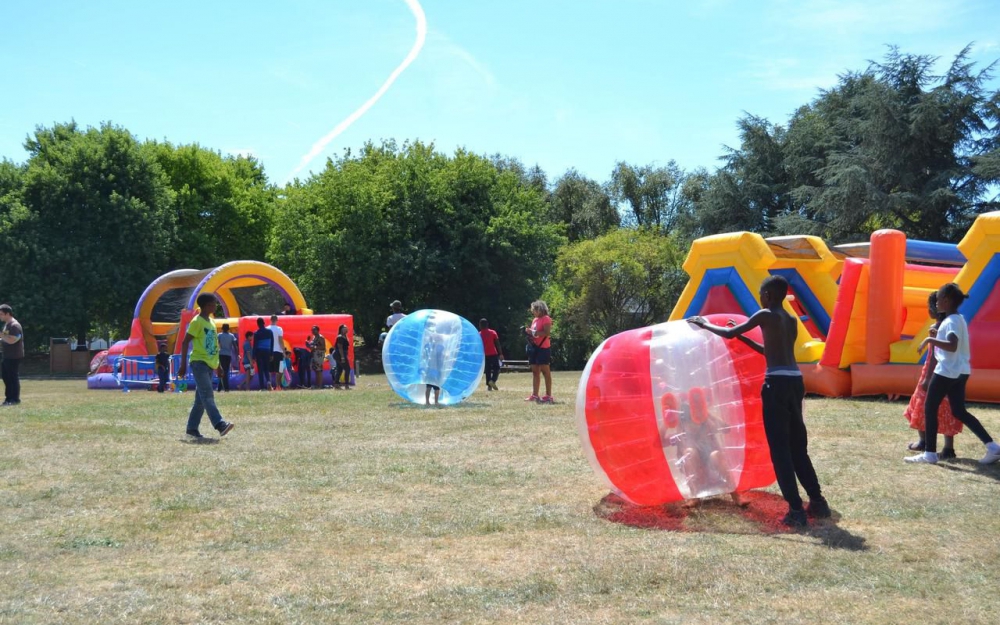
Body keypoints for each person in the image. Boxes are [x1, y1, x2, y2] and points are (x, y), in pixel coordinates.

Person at [688, 275, 830, 527]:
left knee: (780, 452)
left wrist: (704, 324)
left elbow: (730, 332)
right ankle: (818, 502)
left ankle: (796, 511)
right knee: (798, 447)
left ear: (769, 296)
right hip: (795, 382)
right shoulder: (790, 320)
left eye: (761, 294)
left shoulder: (765, 314)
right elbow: (770, 351)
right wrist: (745, 339)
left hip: (775, 385)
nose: (760, 298)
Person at [906, 283, 1000, 465]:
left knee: (930, 407)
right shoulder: (957, 319)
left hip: (947, 372)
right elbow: (951, 342)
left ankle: (929, 454)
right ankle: (993, 447)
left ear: (946, 301)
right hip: (960, 371)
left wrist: (928, 339)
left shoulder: (951, 321)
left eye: (939, 299)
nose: (937, 303)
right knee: (959, 410)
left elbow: (952, 345)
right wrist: (936, 335)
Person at [904, 293, 962, 458]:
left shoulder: (937, 328)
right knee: (947, 408)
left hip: (935, 373)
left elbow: (935, 356)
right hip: (950, 373)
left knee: (923, 406)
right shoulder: (952, 325)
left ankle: (924, 442)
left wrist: (928, 378)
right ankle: (948, 448)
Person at [177, 293, 235, 440]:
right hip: (199, 363)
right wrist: (183, 364)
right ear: (207, 305)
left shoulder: (212, 322)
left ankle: (191, 428)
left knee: (200, 400)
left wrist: (219, 365)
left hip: (210, 364)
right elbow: (185, 343)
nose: (215, 306)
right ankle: (219, 424)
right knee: (208, 395)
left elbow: (214, 346)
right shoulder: (196, 322)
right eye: (213, 303)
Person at [524, 300, 554, 404]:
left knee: (546, 371)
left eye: (534, 310)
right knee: (535, 371)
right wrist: (529, 333)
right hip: (534, 347)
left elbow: (546, 332)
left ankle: (548, 395)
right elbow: (535, 333)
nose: (533, 312)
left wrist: (533, 332)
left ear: (539, 309)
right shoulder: (535, 320)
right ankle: (535, 394)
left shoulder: (546, 319)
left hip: (543, 348)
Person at [0, 304, 23, 406]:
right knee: (6, 377)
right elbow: (5, 338)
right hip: (6, 355)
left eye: (1, 314)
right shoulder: (6, 325)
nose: (0, 316)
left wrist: (1, 336)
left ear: (7, 314)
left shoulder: (14, 325)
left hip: (13, 356)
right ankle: (8, 398)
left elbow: (12, 340)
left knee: (12, 377)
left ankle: (15, 399)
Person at [479, 318, 504, 391]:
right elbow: (497, 344)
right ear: (487, 325)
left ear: (480, 325)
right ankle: (492, 381)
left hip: (484, 355)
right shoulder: (493, 332)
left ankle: (489, 386)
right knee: (497, 368)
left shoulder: (479, 334)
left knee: (488, 370)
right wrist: (501, 354)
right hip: (493, 353)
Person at [253, 318, 273, 391]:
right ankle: (268, 381)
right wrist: (271, 354)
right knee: (267, 369)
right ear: (264, 323)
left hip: (259, 352)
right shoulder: (270, 332)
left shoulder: (256, 333)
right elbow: (272, 343)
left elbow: (255, 345)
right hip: (267, 351)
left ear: (258, 324)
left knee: (260, 370)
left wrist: (253, 356)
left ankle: (262, 387)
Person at [216, 323, 237, 392]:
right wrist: (237, 354)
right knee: (226, 370)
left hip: (221, 354)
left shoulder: (219, 335)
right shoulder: (231, 336)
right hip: (228, 355)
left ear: (222, 328)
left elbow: (216, 344)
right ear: (228, 329)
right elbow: (235, 346)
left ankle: (220, 387)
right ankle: (226, 387)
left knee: (222, 370)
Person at [268, 314, 285, 390]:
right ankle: (278, 385)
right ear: (277, 320)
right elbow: (280, 341)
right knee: (279, 370)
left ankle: (270, 384)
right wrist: (284, 351)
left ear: (270, 320)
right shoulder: (279, 329)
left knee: (269, 370)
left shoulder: (267, 329)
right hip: (278, 351)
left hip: (269, 351)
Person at [333, 324, 352, 389]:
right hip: (340, 354)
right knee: (347, 369)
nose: (345, 329)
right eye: (344, 328)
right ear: (341, 329)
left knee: (339, 369)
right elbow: (340, 347)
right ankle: (346, 385)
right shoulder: (340, 337)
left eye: (346, 328)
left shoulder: (345, 336)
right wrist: (342, 357)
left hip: (339, 354)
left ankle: (336, 384)